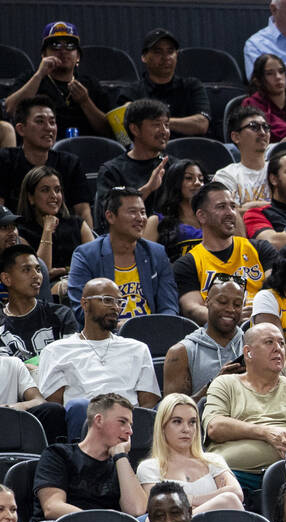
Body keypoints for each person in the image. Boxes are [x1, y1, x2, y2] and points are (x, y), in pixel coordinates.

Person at [38, 277, 158, 432]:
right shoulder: (56, 351)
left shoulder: (138, 349)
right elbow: (55, 407)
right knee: (78, 406)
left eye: (119, 302)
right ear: (85, 304)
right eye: (107, 300)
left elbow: (148, 404)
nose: (115, 307)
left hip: (130, 425)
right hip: (84, 425)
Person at [203, 322, 286, 482]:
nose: (278, 348)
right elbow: (214, 427)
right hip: (233, 475)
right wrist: (265, 433)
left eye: (281, 343)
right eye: (269, 342)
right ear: (248, 353)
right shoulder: (225, 383)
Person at [68, 185, 179, 319]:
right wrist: (119, 328)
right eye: (132, 212)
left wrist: (156, 329)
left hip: (151, 334)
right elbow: (82, 309)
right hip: (106, 335)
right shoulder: (86, 256)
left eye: (143, 212)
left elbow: (169, 307)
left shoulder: (157, 253)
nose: (140, 218)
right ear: (110, 216)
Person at [176, 181, 278, 323]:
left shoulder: (260, 249)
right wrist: (230, 317)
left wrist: (259, 310)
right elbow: (192, 308)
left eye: (233, 206)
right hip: (218, 335)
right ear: (202, 216)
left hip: (263, 325)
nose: (231, 213)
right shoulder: (188, 263)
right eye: (221, 207)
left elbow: (277, 290)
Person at [33, 391, 146, 520]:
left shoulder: (120, 464)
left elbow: (137, 511)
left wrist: (121, 455)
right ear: (99, 420)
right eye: (122, 422)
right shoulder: (58, 454)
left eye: (130, 425)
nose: (130, 431)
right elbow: (52, 507)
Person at [0, 97, 91, 227]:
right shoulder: (2, 160)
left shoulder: (70, 163)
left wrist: (89, 245)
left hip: (62, 238)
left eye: (52, 122)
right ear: (21, 129)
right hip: (15, 237)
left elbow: (83, 211)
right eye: (40, 121)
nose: (49, 128)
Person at [137, 396, 246, 522]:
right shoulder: (149, 467)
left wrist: (191, 500)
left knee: (229, 500)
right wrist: (217, 500)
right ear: (162, 426)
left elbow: (236, 494)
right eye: (177, 421)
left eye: (192, 422)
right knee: (226, 500)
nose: (186, 429)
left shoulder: (213, 460)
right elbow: (163, 509)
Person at [0, 292, 65, 443]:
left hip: (11, 427)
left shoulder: (13, 363)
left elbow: (39, 400)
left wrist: (15, 407)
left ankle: (51, 460)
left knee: (53, 410)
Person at [5, 22, 111, 138]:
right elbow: (10, 110)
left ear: (78, 56)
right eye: (55, 45)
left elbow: (109, 131)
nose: (63, 51)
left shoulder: (90, 84)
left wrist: (85, 102)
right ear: (43, 55)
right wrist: (39, 75)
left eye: (70, 46)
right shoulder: (31, 78)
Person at [90, 99, 169, 233]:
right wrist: (148, 188)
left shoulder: (176, 166)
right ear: (134, 129)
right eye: (156, 125)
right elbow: (108, 215)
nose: (164, 131)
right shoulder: (112, 170)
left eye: (166, 125)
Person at [161, 276, 245, 399]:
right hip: (205, 417)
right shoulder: (181, 352)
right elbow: (174, 412)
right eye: (222, 302)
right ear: (207, 302)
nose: (230, 309)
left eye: (237, 304)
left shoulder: (253, 345)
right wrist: (214, 386)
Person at [13, 165, 93, 285]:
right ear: (31, 198)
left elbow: (95, 264)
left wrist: (65, 271)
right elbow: (39, 276)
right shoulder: (21, 232)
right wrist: (47, 230)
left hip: (81, 285)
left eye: (57, 190)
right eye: (45, 190)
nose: (54, 195)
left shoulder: (77, 224)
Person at [122, 29, 209, 138]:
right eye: (158, 52)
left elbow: (201, 124)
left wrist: (155, 122)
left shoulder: (192, 86)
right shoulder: (132, 91)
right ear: (144, 57)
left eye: (170, 51)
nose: (166, 57)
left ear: (176, 55)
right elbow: (124, 132)